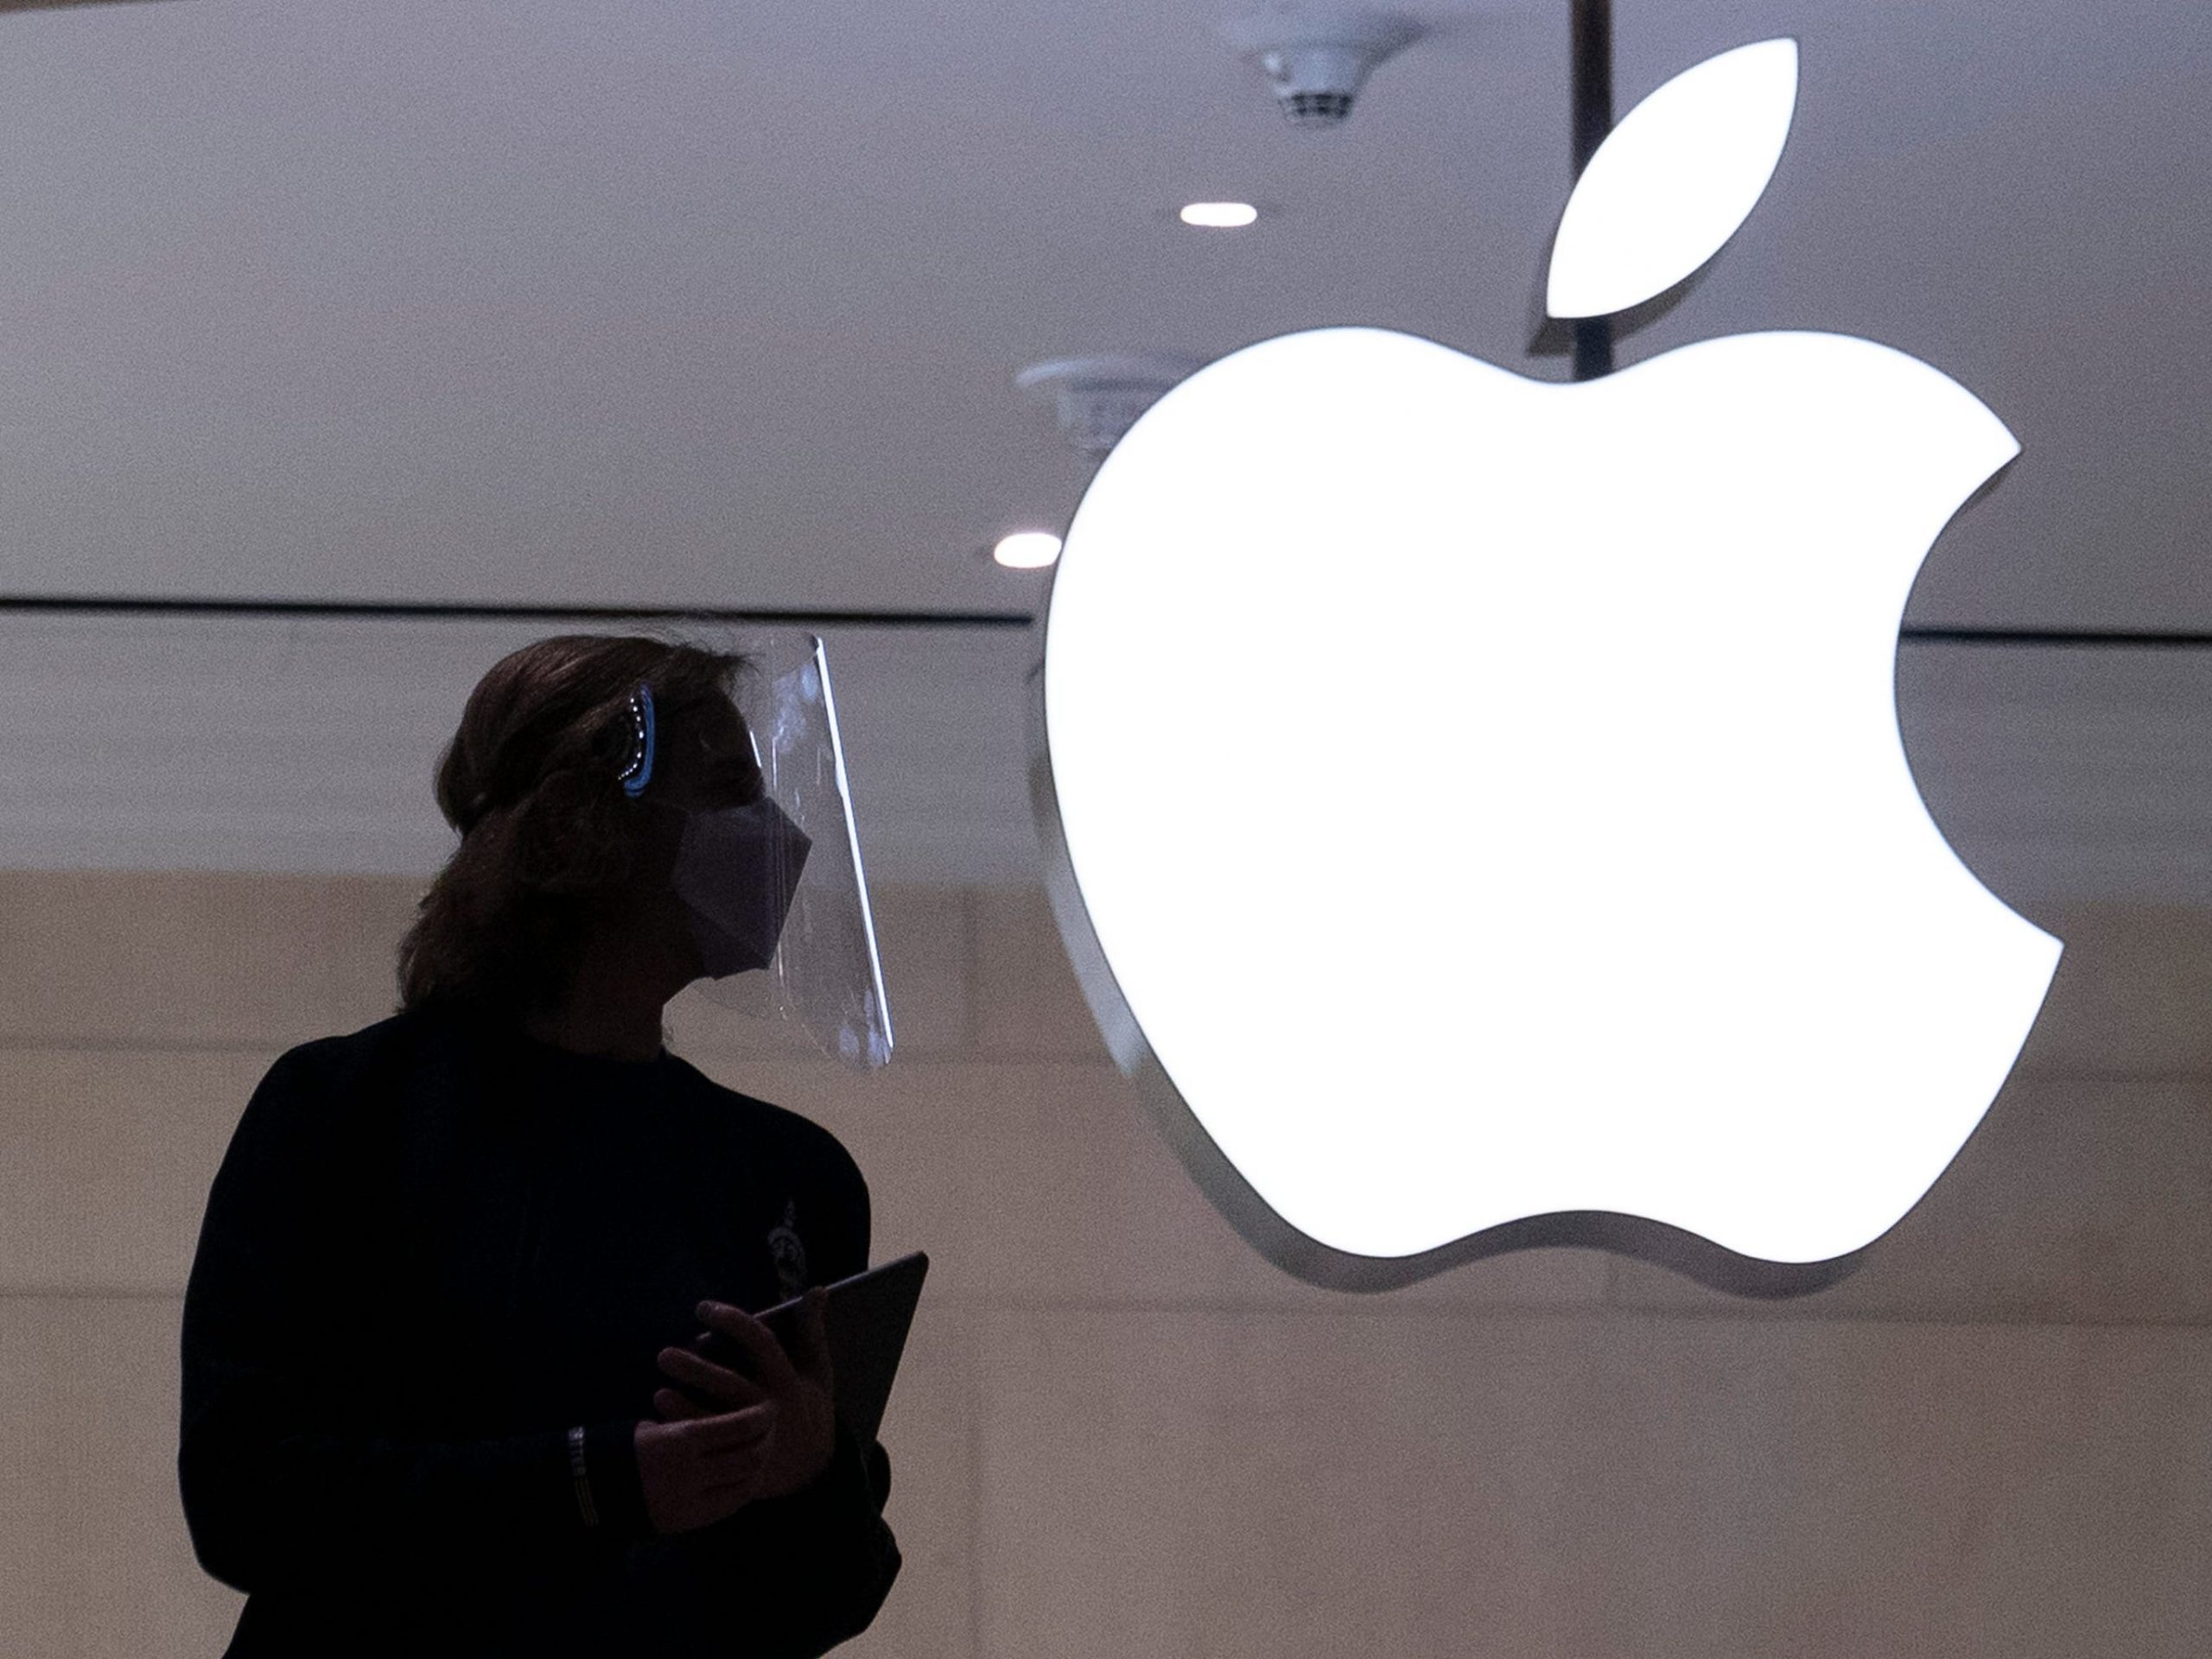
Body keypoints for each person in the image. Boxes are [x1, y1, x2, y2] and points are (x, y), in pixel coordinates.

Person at [177, 634, 901, 1656]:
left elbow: (826, 1601)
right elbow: (246, 1497)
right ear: (579, 826)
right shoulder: (346, 1112)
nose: (780, 837)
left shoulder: (790, 1176)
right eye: (730, 792)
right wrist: (602, 1481)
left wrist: (803, 1474)